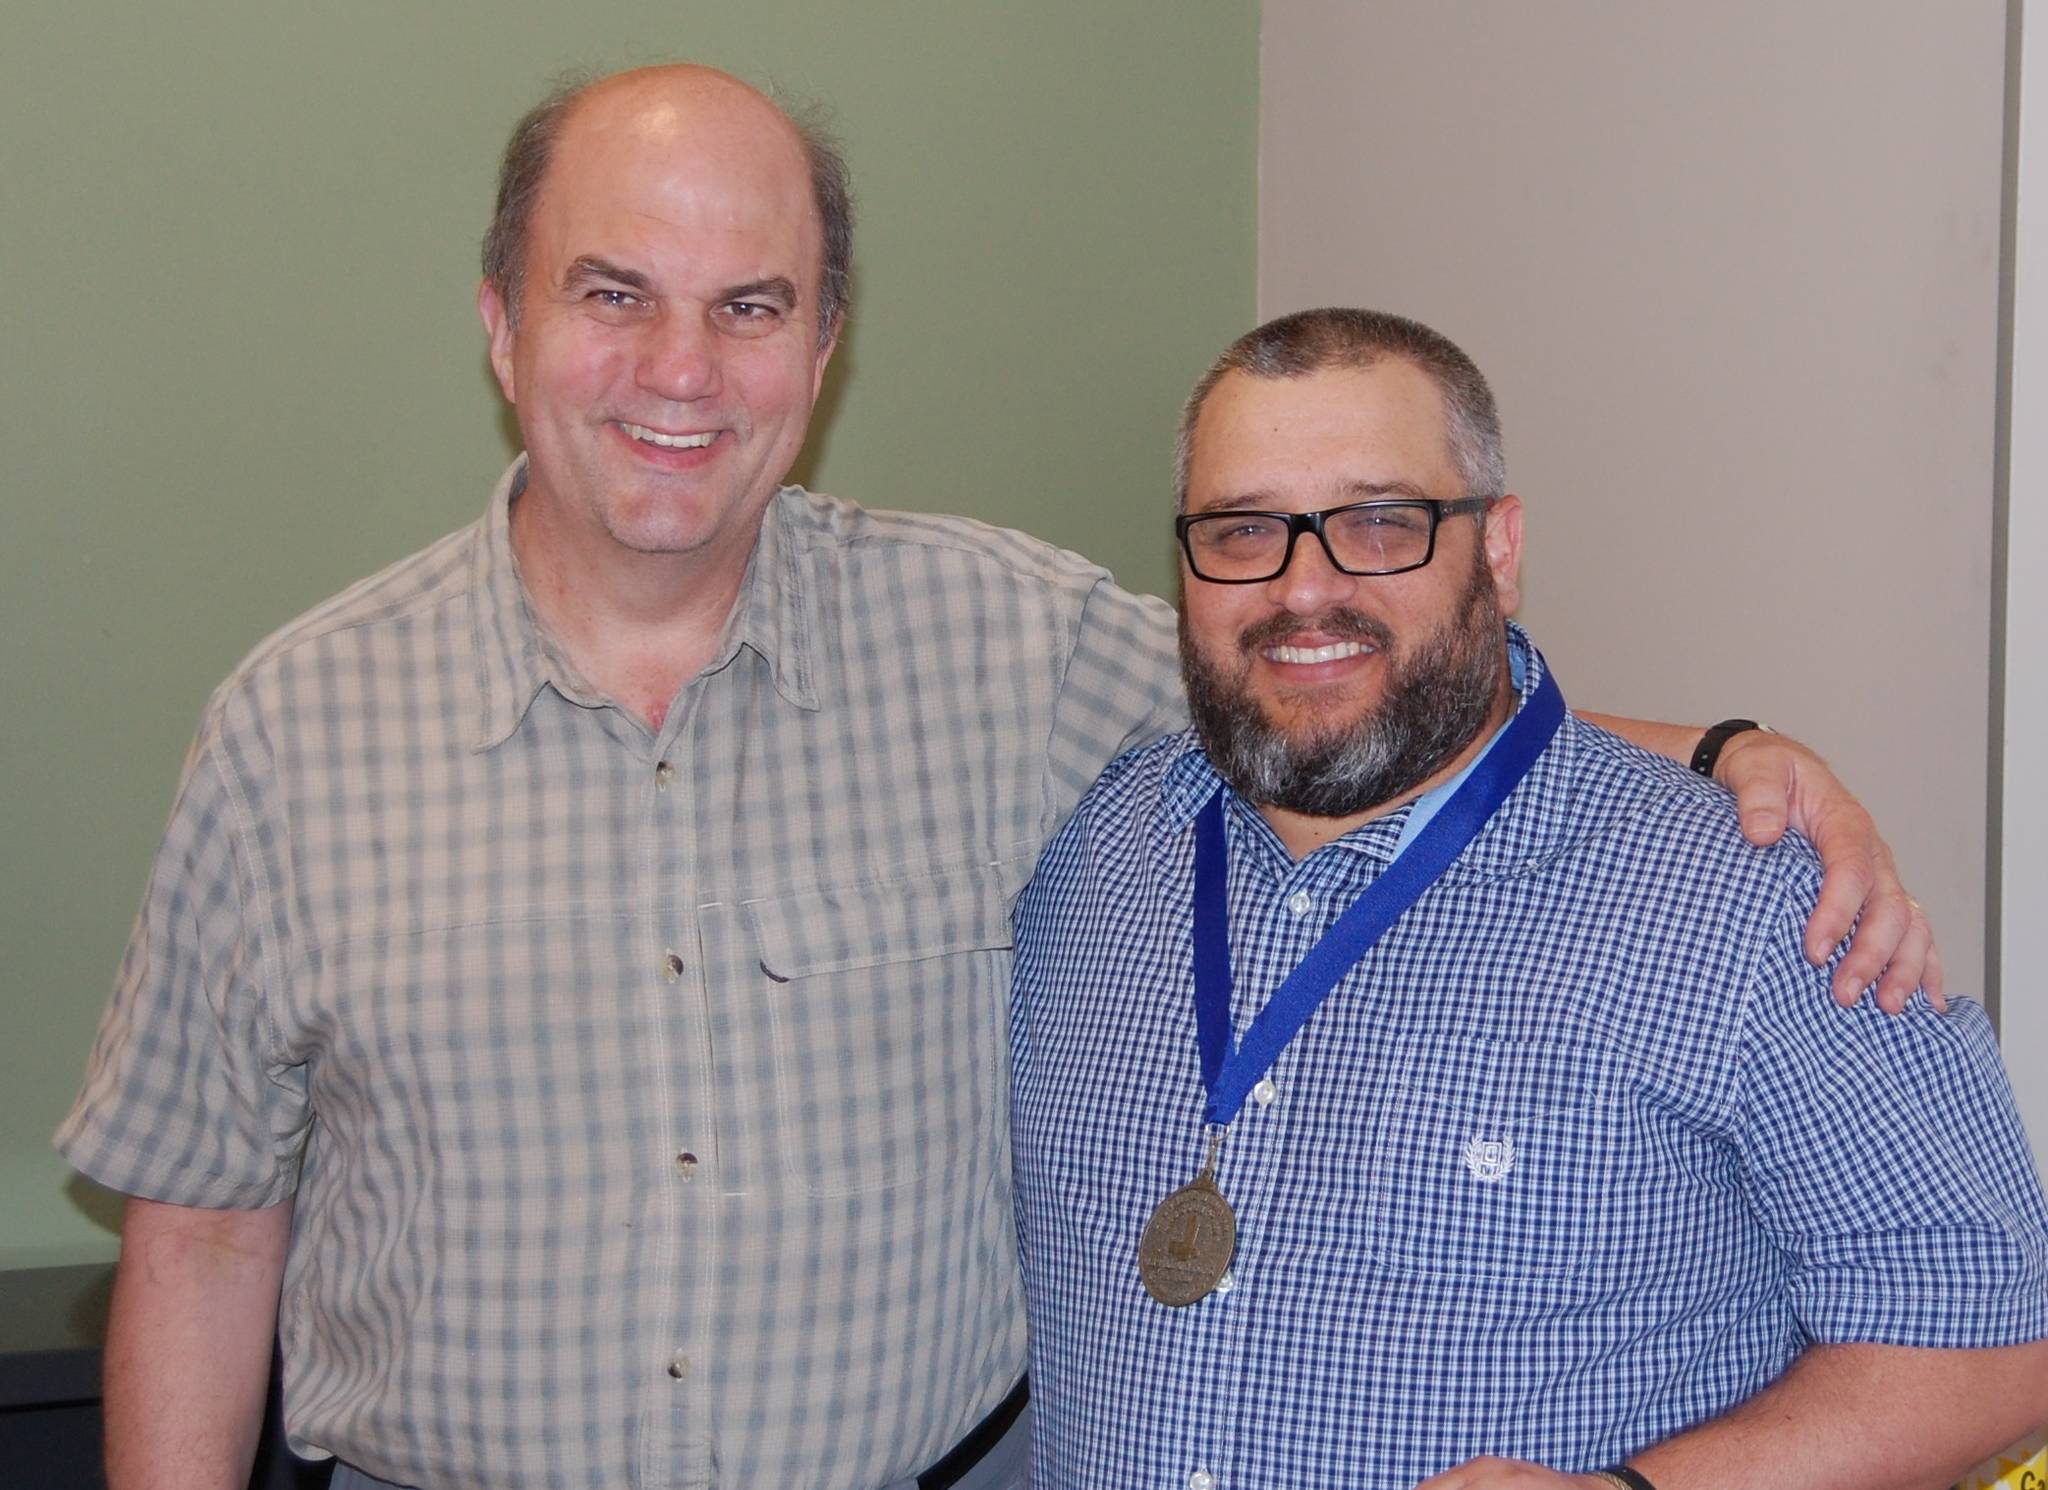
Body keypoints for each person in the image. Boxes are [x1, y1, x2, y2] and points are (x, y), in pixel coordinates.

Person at [58, 66, 1935, 1490]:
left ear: (823, 342)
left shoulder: (996, 643)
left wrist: (1716, 752)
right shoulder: (291, 729)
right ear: (501, 320)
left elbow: (1323, 665)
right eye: (612, 293)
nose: (680, 371)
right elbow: (209, 1232)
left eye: (752, 304)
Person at [1011, 307, 2048, 1490]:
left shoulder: (1746, 897)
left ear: (1496, 549)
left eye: (1378, 522)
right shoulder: (1088, 844)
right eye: (1244, 529)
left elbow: (1992, 1336)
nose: (1304, 586)